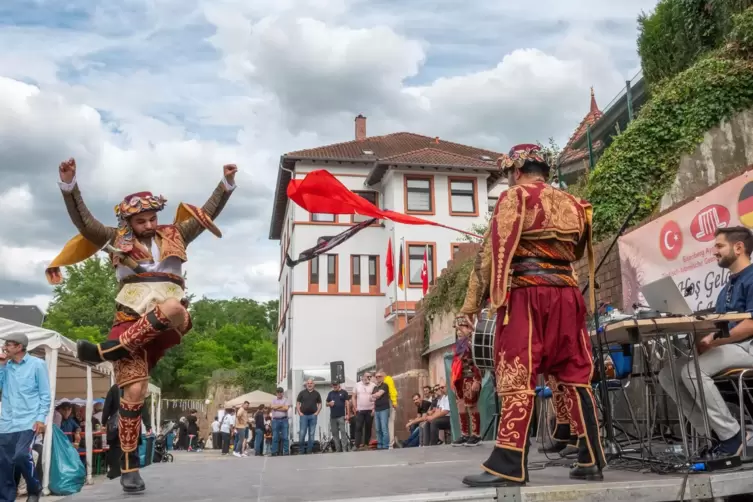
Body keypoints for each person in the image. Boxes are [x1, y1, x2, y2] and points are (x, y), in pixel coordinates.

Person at [47, 158, 237, 493]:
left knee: (175, 307)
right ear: (128, 220)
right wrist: (69, 186)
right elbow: (83, 221)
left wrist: (225, 185)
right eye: (141, 220)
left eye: (153, 218)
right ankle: (130, 467)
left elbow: (208, 212)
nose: (149, 224)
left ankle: (106, 351)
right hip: (130, 321)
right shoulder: (112, 237)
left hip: (167, 320)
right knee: (134, 393)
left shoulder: (176, 234)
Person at [457, 144, 604, 488]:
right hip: (567, 294)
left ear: (516, 171)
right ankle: (591, 457)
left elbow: (490, 255)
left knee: (517, 373)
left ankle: (508, 463)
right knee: (574, 373)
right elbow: (577, 248)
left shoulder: (514, 197)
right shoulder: (575, 203)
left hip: (527, 294)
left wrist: (470, 307)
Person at [658, 226, 753, 457]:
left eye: (719, 246)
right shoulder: (724, 289)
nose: (714, 252)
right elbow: (717, 328)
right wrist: (703, 338)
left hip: (748, 347)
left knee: (692, 371)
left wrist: (714, 343)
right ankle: (713, 434)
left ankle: (732, 436)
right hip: (731, 347)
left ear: (739, 247)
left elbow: (750, 324)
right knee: (668, 373)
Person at [0, 333, 50, 502]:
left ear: (19, 347)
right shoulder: (5, 367)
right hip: (7, 422)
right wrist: (1, 365)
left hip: (29, 421)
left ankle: (34, 487)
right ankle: (6, 498)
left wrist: (41, 419)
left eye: (8, 344)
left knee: (21, 455)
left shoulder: (37, 365)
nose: (4, 347)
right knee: (4, 464)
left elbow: (45, 395)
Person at [450, 326, 482, 447]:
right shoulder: (458, 346)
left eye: (462, 328)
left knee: (472, 405)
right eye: (457, 329)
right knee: (461, 406)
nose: (459, 331)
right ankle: (465, 434)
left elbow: (478, 362)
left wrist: (477, 380)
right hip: (459, 379)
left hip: (470, 378)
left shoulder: (473, 344)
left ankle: (476, 435)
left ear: (470, 330)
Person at [296, 379, 321, 454]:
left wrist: (317, 412)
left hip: (313, 416)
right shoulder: (302, 393)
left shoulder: (317, 393)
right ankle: (301, 450)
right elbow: (297, 403)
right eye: (308, 383)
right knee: (302, 433)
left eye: (311, 383)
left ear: (314, 385)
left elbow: (320, 404)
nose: (309, 384)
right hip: (303, 416)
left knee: (311, 433)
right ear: (306, 385)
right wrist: (299, 412)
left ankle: (309, 450)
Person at [352, 372, 375, 450]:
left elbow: (376, 398)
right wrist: (355, 407)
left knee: (368, 427)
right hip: (360, 410)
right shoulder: (357, 385)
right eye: (367, 376)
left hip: (370, 409)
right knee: (358, 427)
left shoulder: (373, 385)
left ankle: (366, 444)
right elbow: (353, 397)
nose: (368, 378)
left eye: (370, 376)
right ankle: (357, 445)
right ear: (363, 377)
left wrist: (374, 409)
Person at [326, 382, 350, 452]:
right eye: (333, 385)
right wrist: (329, 403)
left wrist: (348, 414)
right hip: (333, 417)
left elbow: (347, 403)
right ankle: (338, 449)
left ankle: (344, 449)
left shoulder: (344, 392)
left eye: (336, 385)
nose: (335, 386)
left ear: (339, 385)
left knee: (343, 432)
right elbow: (326, 403)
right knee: (334, 433)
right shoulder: (330, 393)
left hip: (341, 416)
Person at [371, 371, 391, 450]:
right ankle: (380, 445)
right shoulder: (375, 388)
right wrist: (375, 395)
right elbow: (371, 399)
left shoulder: (385, 385)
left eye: (379, 376)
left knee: (384, 428)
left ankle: (385, 446)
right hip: (377, 410)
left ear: (382, 377)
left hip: (384, 409)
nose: (377, 378)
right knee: (378, 429)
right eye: (376, 377)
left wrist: (375, 395)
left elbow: (378, 395)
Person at [270, 387, 290, 456]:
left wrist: (277, 407)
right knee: (275, 437)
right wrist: (281, 406)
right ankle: (274, 452)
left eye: (280, 392)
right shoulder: (273, 400)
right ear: (276, 393)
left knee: (285, 437)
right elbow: (272, 407)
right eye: (278, 392)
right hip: (275, 420)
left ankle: (286, 451)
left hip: (284, 419)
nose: (279, 393)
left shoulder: (286, 400)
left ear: (282, 393)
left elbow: (286, 408)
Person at [382, 374, 399, 449]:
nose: (377, 378)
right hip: (388, 402)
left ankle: (390, 443)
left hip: (389, 402)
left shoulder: (388, 379)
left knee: (389, 422)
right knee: (389, 422)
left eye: (379, 376)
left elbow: (392, 390)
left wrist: (394, 402)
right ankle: (390, 443)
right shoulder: (386, 380)